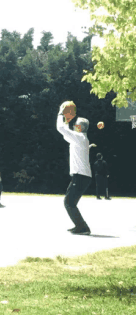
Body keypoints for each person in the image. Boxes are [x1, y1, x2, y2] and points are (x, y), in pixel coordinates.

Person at [56, 101, 92, 235]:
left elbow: (61, 129)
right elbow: (65, 134)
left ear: (79, 127)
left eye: (75, 124)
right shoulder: (80, 138)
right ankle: (81, 226)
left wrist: (61, 112)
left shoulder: (80, 138)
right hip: (81, 176)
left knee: (69, 202)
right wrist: (66, 121)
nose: (74, 125)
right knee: (70, 202)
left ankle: (82, 227)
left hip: (81, 176)